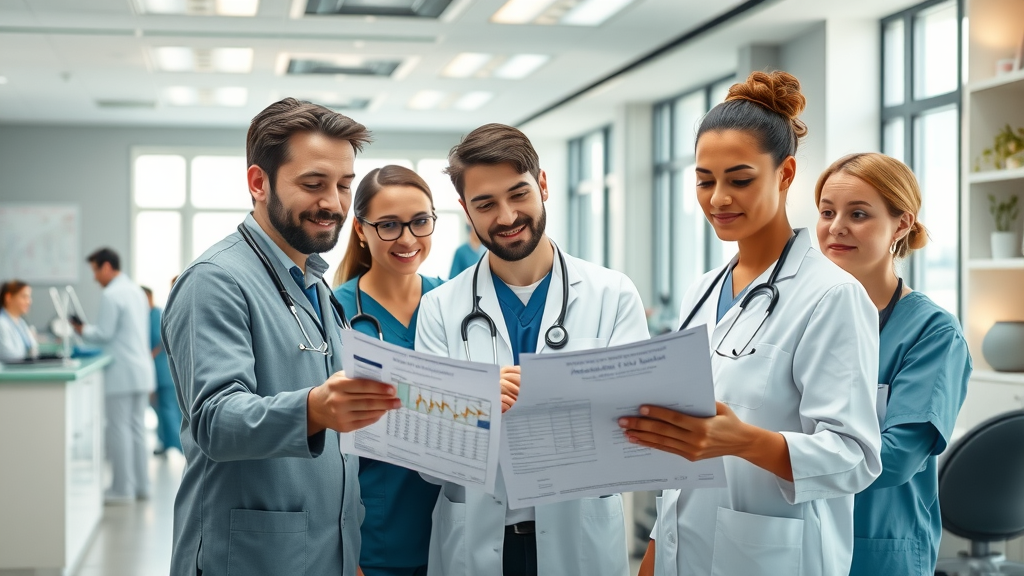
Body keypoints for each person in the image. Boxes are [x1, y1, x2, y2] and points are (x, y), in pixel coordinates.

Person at [619, 71, 883, 576]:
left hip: (773, 555)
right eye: (704, 180)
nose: (718, 198)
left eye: (739, 180)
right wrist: (652, 558)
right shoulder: (702, 291)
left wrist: (743, 440)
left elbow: (854, 457)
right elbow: (687, 448)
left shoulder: (832, 296)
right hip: (682, 547)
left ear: (786, 175)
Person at [161, 98, 400, 576]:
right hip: (250, 555)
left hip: (323, 551)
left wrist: (345, 549)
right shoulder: (216, 280)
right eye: (313, 184)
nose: (332, 203)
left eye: (343, 185)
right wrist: (313, 408)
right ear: (258, 182)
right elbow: (214, 419)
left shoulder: (310, 279)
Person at [415, 123, 650, 576]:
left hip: (579, 540)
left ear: (542, 185)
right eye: (485, 204)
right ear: (466, 210)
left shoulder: (611, 294)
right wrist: (476, 405)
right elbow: (428, 460)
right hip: (476, 542)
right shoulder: (441, 308)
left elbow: (634, 435)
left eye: (518, 193)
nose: (506, 216)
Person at [814, 153, 971, 576]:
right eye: (827, 212)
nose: (836, 227)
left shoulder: (932, 332)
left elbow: (899, 456)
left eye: (858, 213)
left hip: (879, 551)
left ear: (901, 224)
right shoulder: (807, 317)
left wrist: (777, 460)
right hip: (800, 537)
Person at [333, 165, 444, 576]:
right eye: (389, 226)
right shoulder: (335, 312)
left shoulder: (456, 303)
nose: (408, 239)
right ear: (361, 229)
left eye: (420, 222)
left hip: (456, 527)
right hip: (375, 536)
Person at [73, 248, 156, 503]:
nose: (95, 277)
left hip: (121, 372)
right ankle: (142, 486)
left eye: (96, 270)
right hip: (141, 370)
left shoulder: (111, 294)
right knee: (137, 429)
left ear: (107, 266)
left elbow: (105, 334)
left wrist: (81, 329)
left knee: (119, 430)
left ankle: (122, 489)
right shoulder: (135, 291)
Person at [141, 285, 182, 455]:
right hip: (155, 371)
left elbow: (160, 340)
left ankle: (181, 448)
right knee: (159, 409)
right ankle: (165, 443)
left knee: (168, 409)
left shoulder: (157, 314)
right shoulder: (145, 316)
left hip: (163, 371)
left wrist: (147, 356)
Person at [0, 280, 39, 362]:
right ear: (8, 297)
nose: (29, 301)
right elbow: (8, 355)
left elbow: (33, 348)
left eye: (29, 297)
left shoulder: (20, 322)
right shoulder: (2, 324)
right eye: (24, 297)